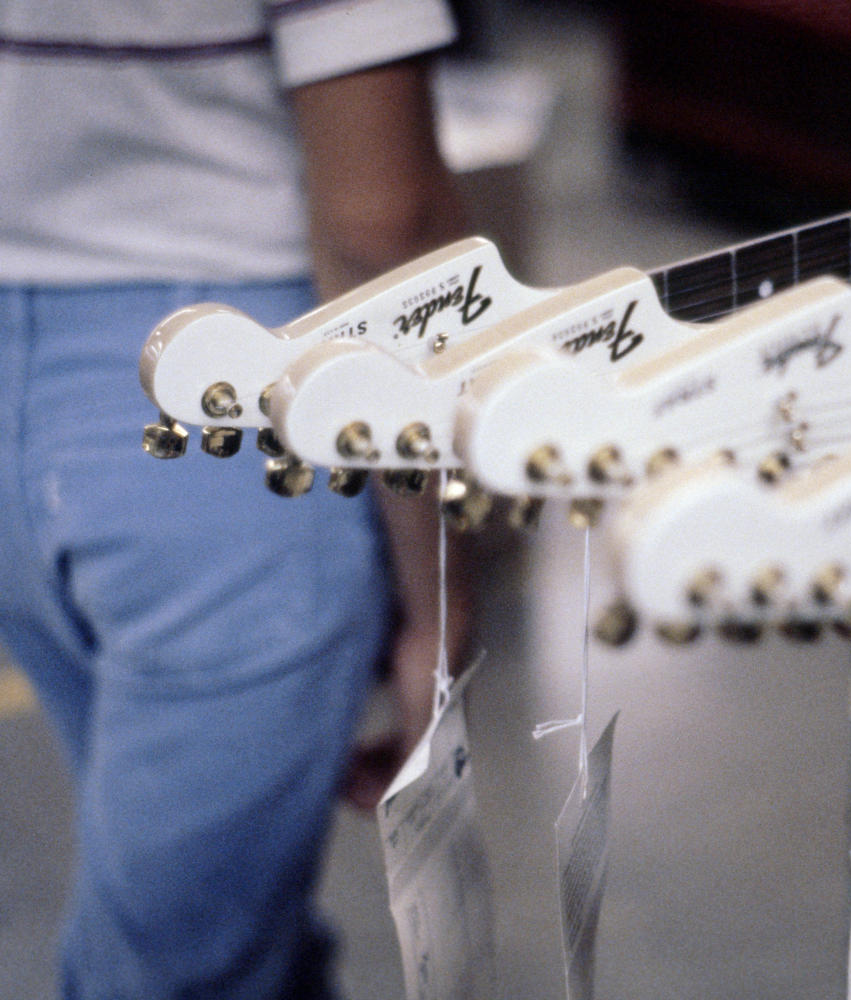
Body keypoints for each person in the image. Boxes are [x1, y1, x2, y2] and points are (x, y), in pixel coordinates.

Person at [0, 2, 474, 995]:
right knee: (181, 960)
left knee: (224, 919)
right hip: (225, 415)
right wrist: (439, 596)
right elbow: (379, 222)